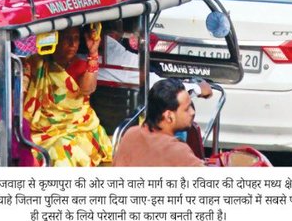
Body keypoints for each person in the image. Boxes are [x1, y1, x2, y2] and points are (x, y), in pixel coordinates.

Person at [22, 25, 112, 167]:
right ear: (55, 39)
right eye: (67, 38)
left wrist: (93, 54)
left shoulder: (80, 65)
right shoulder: (36, 63)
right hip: (42, 129)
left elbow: (87, 90)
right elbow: (22, 93)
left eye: (76, 38)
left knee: (61, 148)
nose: (72, 44)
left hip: (78, 127)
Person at [113, 77, 207, 167]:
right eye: (187, 109)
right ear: (169, 116)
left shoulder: (130, 134)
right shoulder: (177, 151)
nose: (192, 112)